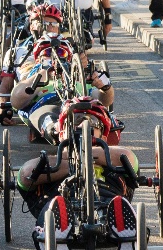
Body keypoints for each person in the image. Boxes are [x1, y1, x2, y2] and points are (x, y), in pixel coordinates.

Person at [17, 97, 139, 245]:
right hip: (60, 203)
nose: (82, 124)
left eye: (93, 121)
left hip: (107, 202)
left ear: (103, 135)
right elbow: (25, 175)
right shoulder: (52, 160)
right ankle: (57, 236)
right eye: (75, 120)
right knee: (54, 209)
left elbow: (130, 159)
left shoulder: (114, 156)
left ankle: (125, 234)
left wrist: (86, 153)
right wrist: (73, 160)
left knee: (117, 207)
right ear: (62, 133)